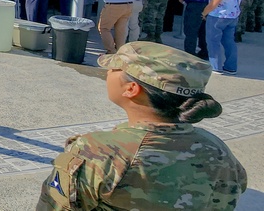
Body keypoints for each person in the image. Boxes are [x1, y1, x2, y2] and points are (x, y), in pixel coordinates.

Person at [38, 42, 247, 210]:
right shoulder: (218, 150)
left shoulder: (96, 152)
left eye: (114, 67)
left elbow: (55, 206)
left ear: (131, 89)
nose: (107, 72)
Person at [202, 0, 243, 75]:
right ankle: (231, 66)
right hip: (232, 16)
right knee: (229, 41)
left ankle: (216, 66)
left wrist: (204, 13)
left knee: (213, 41)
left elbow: (213, 4)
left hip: (217, 17)